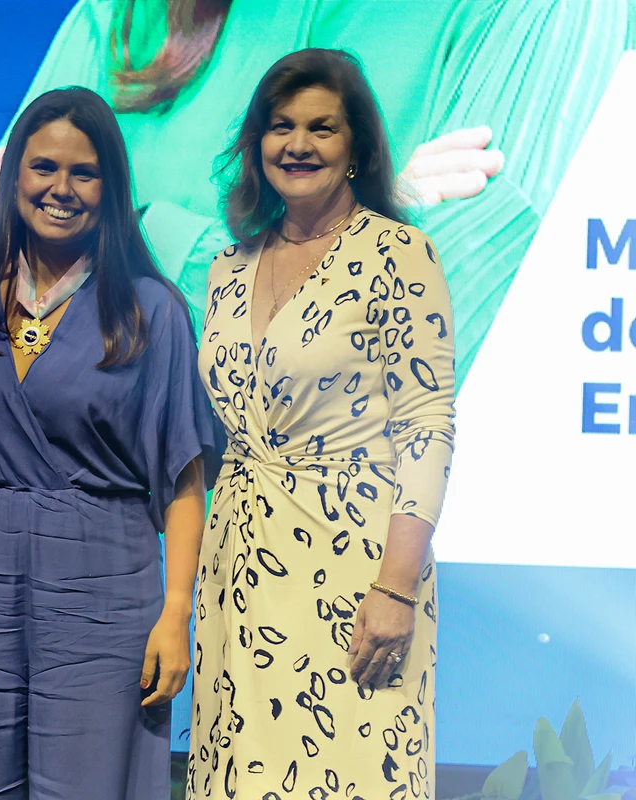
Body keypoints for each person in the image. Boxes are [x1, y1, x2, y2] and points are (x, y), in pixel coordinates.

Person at [0, 0, 632, 386]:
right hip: (66, 571)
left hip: (323, 597)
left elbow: (401, 336)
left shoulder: (537, 10)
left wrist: (112, 241)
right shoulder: (123, 15)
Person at [0, 86, 216, 799]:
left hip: (104, 587)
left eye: (84, 172)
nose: (61, 188)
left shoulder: (150, 310)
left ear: (111, 188)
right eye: (44, 167)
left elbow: (184, 480)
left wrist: (176, 612)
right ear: (15, 175)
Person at [189, 49, 454, 799]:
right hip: (239, 569)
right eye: (280, 126)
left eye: (321, 127)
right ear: (255, 143)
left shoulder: (400, 255)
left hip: (358, 575)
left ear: (358, 147)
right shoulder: (226, 268)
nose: (297, 144)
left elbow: (427, 426)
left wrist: (396, 589)